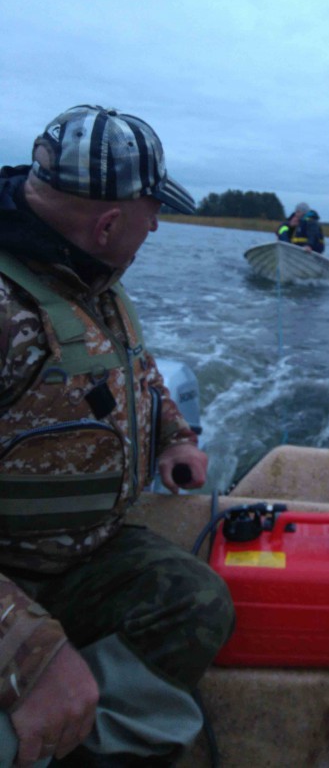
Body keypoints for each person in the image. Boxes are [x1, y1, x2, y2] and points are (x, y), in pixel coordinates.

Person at [0, 105, 235, 767]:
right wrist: (27, 651)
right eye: (152, 210)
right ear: (108, 223)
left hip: (76, 559)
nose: (157, 224)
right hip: (11, 580)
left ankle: (80, 748)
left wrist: (173, 438)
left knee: (192, 601)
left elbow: (133, 368)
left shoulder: (88, 276)